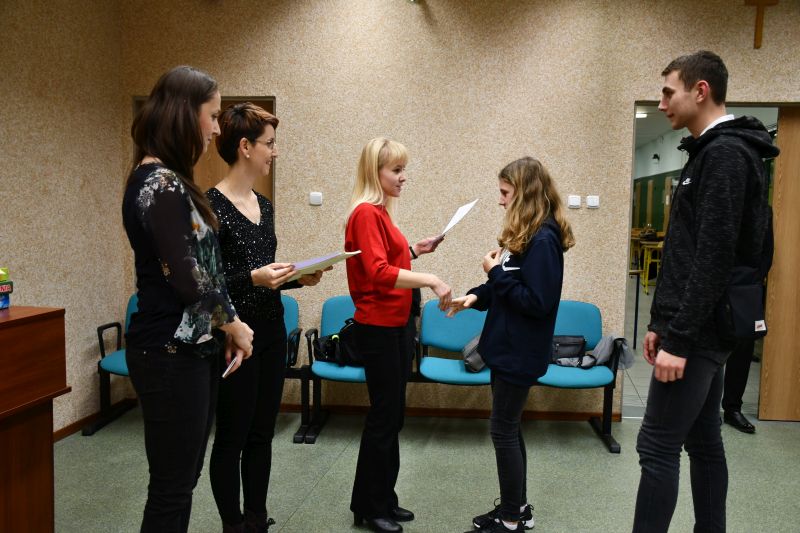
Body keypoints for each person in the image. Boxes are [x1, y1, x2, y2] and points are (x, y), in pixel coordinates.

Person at [632, 51, 779, 533]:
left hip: (697, 335)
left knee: (657, 447)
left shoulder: (726, 155)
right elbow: (687, 253)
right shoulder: (709, 152)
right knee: (703, 442)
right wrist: (660, 323)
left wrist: (678, 339)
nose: (661, 104)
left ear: (701, 91)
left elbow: (714, 259)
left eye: (667, 92)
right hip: (697, 328)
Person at [122, 66, 255, 533]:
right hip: (167, 354)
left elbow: (202, 269)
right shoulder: (158, 183)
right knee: (171, 489)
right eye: (212, 116)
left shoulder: (170, 180)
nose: (216, 129)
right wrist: (234, 324)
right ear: (184, 113)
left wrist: (223, 327)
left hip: (189, 351)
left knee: (182, 482)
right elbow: (187, 276)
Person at [207, 102, 328, 533]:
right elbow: (208, 285)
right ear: (245, 147)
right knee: (232, 437)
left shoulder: (265, 205)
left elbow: (264, 277)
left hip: (272, 331)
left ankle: (256, 518)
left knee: (262, 433)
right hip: (233, 336)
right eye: (269, 143)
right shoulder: (209, 207)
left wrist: (297, 279)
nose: (274, 152)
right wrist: (254, 278)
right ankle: (232, 524)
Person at [448, 157, 574, 533]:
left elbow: (536, 302)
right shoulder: (527, 234)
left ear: (524, 192)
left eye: (505, 192)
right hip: (506, 348)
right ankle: (517, 509)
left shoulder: (544, 240)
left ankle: (510, 520)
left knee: (503, 431)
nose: (500, 200)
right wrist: (475, 296)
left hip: (519, 352)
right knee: (510, 428)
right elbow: (505, 287)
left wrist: (495, 272)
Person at [345, 137, 451, 533]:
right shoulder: (364, 214)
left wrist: (415, 251)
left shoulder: (381, 213)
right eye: (396, 170)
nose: (403, 177)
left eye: (404, 169)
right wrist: (431, 279)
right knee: (384, 418)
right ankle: (369, 506)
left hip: (397, 325)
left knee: (393, 418)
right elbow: (377, 272)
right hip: (378, 327)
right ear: (375, 172)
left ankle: (382, 499)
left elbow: (388, 258)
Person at [722, 208, 773, 434]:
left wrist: (752, 279)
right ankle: (703, 411)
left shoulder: (763, 211)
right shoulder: (720, 201)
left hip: (746, 287)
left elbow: (767, 252)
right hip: (713, 284)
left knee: (742, 351)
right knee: (708, 349)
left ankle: (732, 408)